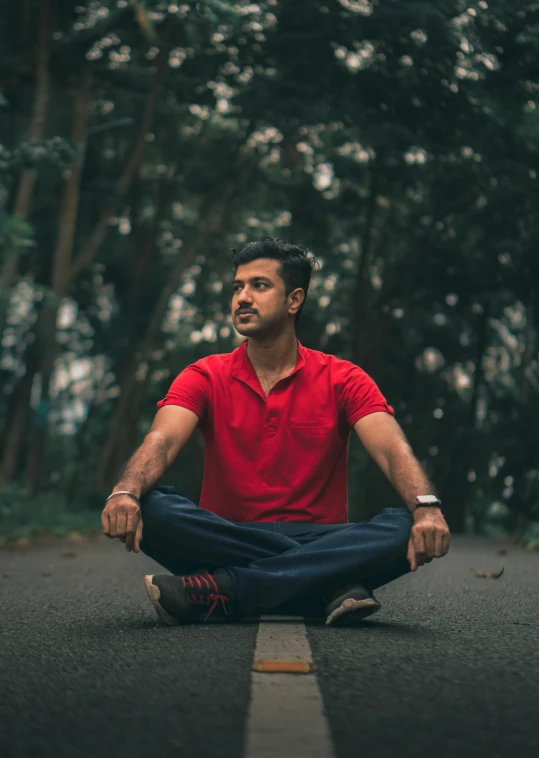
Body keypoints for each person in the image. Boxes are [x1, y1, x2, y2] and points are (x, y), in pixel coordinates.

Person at [101, 237, 451, 626]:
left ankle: (227, 588)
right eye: (237, 287)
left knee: (409, 522)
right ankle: (327, 583)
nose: (242, 297)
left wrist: (427, 508)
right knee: (150, 507)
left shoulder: (343, 378)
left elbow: (393, 450)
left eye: (259, 286)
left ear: (294, 301)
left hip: (322, 538)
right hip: (227, 535)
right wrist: (126, 492)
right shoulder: (204, 374)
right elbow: (161, 442)